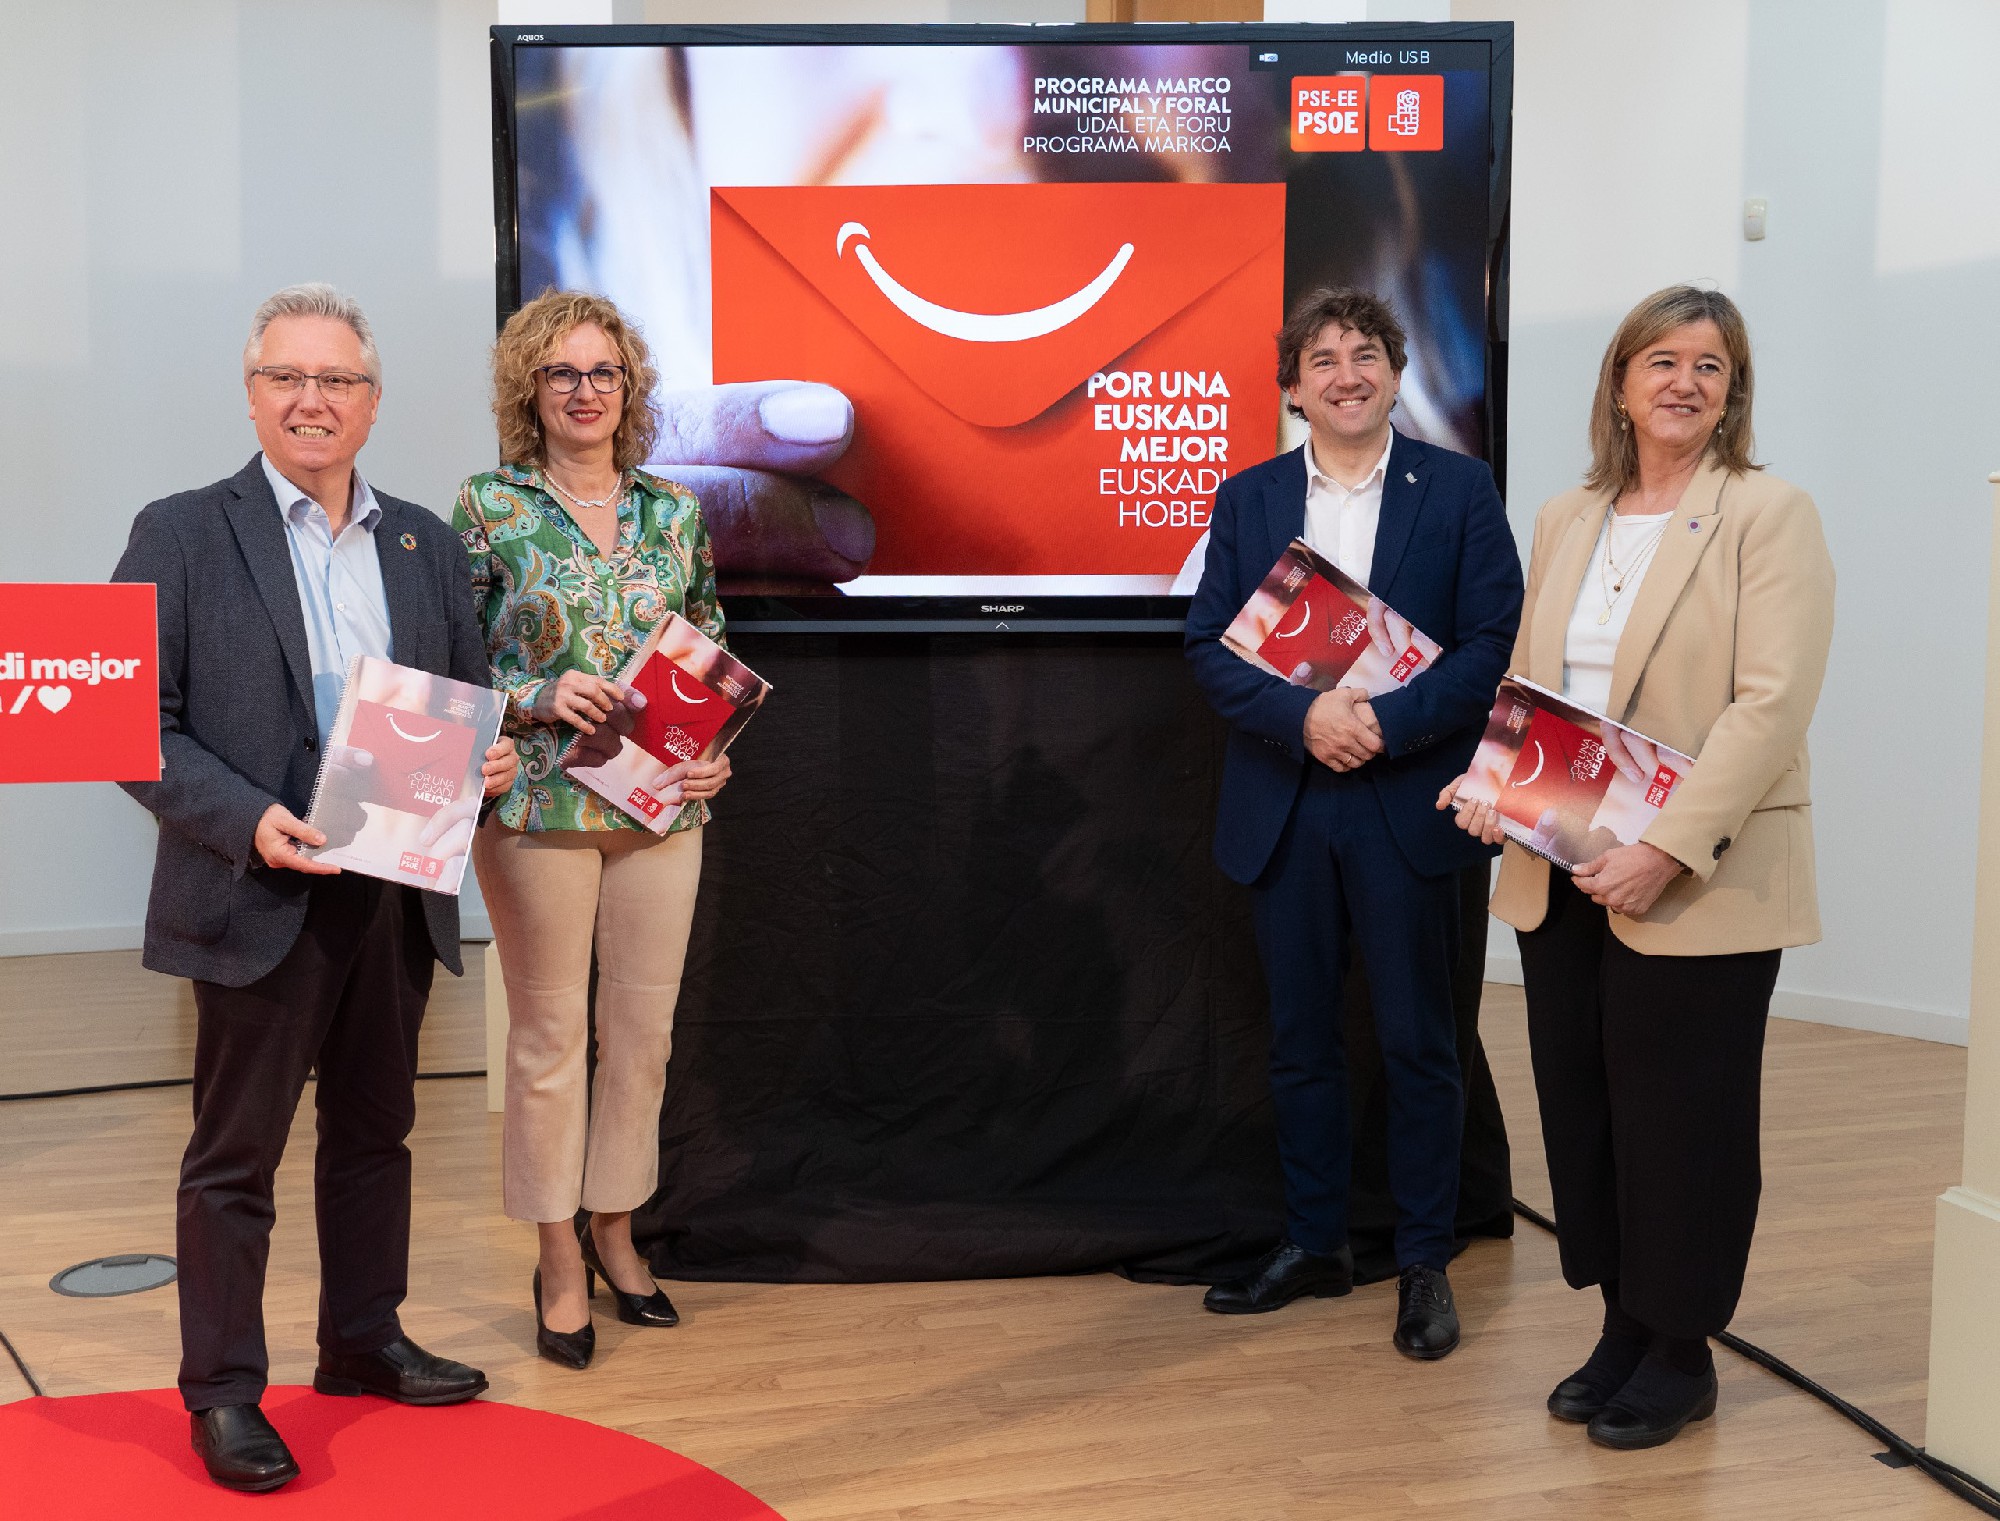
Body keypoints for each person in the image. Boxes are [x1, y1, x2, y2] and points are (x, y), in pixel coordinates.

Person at [112, 283, 518, 1494]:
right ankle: (226, 1390)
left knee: (376, 1136)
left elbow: (461, 707)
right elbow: (137, 725)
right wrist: (250, 822)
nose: (311, 400)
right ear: (251, 396)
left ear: (372, 403)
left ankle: (362, 1339)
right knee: (234, 1159)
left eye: (336, 380)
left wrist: (487, 767)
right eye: (287, 378)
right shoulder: (180, 532)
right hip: (255, 894)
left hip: (392, 897)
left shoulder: (426, 546)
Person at [1441, 285, 1834, 1448]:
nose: (1680, 382)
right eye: (1657, 360)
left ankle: (1679, 1348)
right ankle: (1620, 1319)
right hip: (1558, 869)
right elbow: (1528, 679)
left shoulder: (1769, 514)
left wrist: (1664, 850)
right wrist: (1489, 788)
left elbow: (1769, 708)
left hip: (1693, 877)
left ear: (1731, 394)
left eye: (1706, 367)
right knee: (1586, 1108)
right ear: (1618, 383)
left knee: (1685, 1122)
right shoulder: (1567, 516)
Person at [1185, 287, 1523, 1357]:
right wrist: (1303, 716)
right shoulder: (1246, 503)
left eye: (1365, 354)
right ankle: (1313, 1245)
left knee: (1421, 1046)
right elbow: (1205, 649)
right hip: (1285, 807)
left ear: (1393, 373)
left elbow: (1487, 644)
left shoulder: (1459, 491)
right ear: (1291, 386)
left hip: (1405, 803)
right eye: (1321, 358)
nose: (1344, 373)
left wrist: (1378, 722)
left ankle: (1422, 1263)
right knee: (1297, 1045)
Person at [457, 290, 731, 1370]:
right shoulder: (488, 506)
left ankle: (616, 1228)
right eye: (561, 373)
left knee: (644, 1037)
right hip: (535, 807)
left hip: (664, 808)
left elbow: (710, 643)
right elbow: (444, 654)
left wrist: (719, 747)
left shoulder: (675, 513)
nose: (583, 390)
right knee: (548, 1042)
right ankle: (555, 1255)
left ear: (629, 390)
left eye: (602, 372)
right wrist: (531, 692)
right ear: (532, 389)